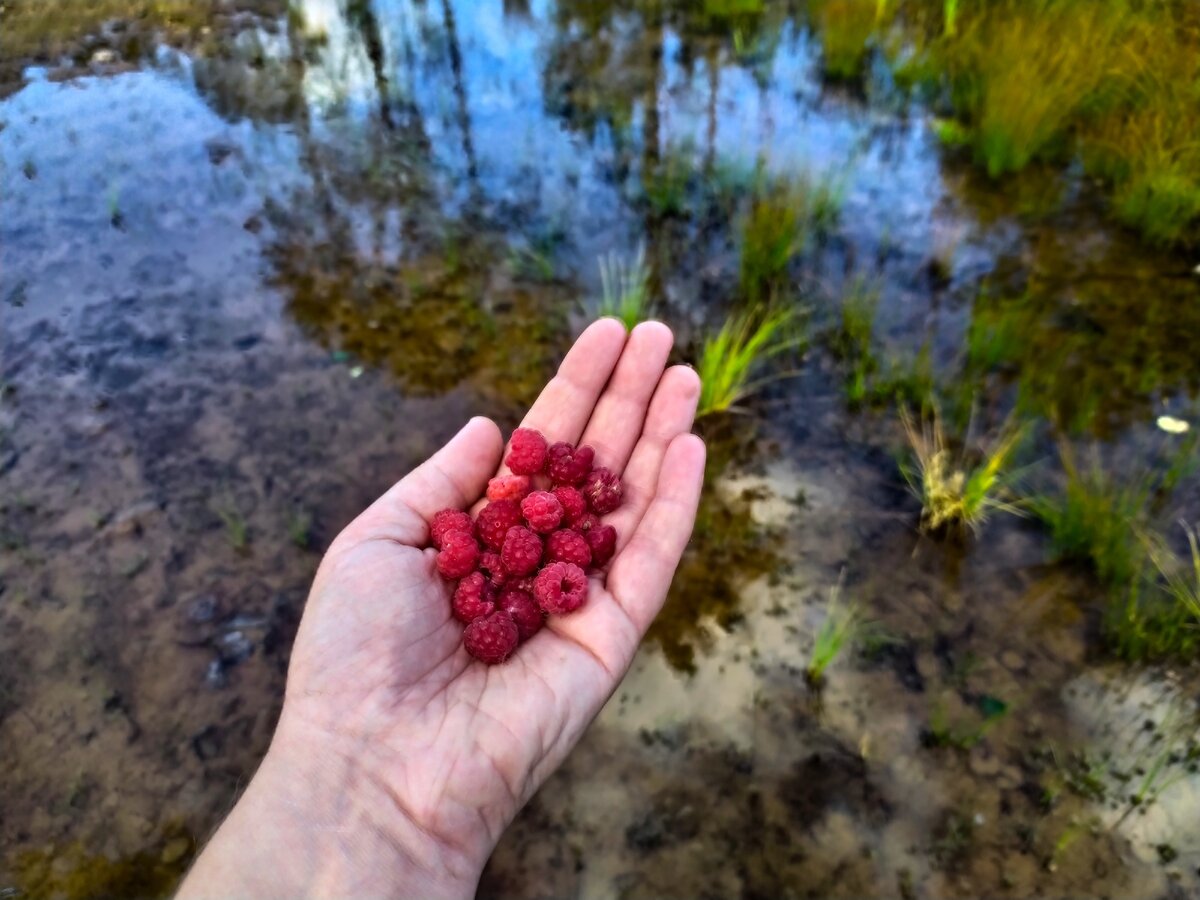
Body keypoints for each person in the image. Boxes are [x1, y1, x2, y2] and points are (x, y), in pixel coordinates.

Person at [177, 319, 705, 898]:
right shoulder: (500, 553)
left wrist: (529, 552)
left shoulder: (538, 535)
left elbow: (530, 549)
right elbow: (498, 552)